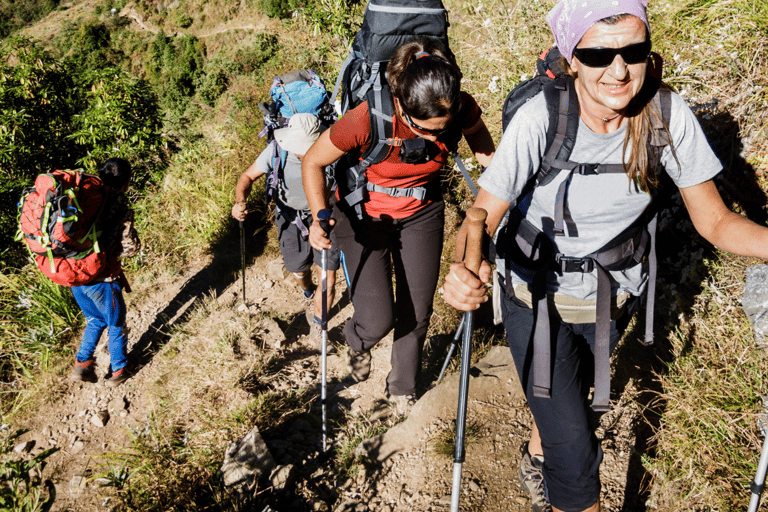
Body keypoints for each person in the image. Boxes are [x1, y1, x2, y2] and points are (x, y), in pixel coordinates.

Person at [442, 1, 768, 511]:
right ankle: (560, 466)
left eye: (633, 52)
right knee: (576, 455)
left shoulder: (666, 116)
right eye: (598, 55)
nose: (618, 71)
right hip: (535, 295)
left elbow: (717, 222)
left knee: (564, 410)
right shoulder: (541, 119)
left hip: (610, 294)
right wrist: (464, 267)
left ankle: (536, 449)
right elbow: (481, 215)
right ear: (572, 58)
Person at [302, 39, 495, 417]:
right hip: (362, 215)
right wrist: (317, 214)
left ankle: (402, 387)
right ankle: (357, 340)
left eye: (442, 129)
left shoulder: (462, 109)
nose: (434, 138)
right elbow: (312, 162)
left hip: (422, 210)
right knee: (377, 319)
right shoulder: (367, 118)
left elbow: (490, 158)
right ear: (402, 106)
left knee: (417, 310)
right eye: (424, 129)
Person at [232, 113, 340, 345]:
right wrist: (240, 200)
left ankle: (319, 328)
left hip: (325, 218)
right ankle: (307, 289)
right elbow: (248, 176)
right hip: (291, 218)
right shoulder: (276, 151)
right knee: (297, 269)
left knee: (328, 279)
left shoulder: (333, 150)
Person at [70, 157, 141, 388]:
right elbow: (130, 249)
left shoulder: (86, 199)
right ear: (126, 181)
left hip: (73, 274)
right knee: (116, 322)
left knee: (94, 319)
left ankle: (83, 366)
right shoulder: (118, 204)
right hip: (102, 277)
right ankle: (119, 369)